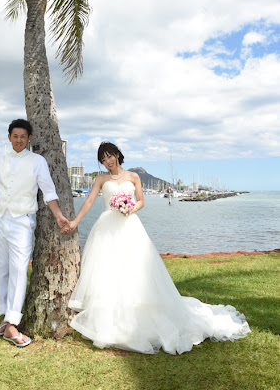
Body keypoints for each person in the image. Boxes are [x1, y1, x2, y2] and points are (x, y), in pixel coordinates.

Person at [63, 141, 250, 354]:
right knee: (108, 270)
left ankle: (137, 312)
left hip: (129, 225)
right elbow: (88, 202)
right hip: (106, 227)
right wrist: (75, 221)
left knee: (135, 269)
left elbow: (141, 201)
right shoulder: (101, 179)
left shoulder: (133, 177)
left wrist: (130, 208)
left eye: (109, 156)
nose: (107, 162)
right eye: (103, 159)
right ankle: (110, 316)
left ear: (117, 154)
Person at [0, 118, 69, 347]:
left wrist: (59, 216)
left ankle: (12, 323)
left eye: (23, 136)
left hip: (22, 220)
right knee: (1, 269)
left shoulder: (37, 161)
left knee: (19, 269)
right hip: (0, 219)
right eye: (15, 136)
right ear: (9, 137)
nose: (19, 140)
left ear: (29, 138)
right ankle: (5, 318)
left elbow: (48, 191)